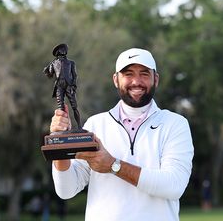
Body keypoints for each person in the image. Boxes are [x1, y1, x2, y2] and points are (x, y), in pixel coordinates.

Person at [50, 48, 194, 221]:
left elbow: (174, 185)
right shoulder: (95, 124)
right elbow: (66, 190)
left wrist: (113, 165)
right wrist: (59, 145)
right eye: (128, 74)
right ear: (116, 80)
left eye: (144, 74)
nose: (136, 81)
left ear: (156, 79)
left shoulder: (174, 124)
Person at [43, 43, 82, 129]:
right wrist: (47, 71)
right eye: (63, 49)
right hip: (59, 85)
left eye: (65, 49)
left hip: (69, 85)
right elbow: (50, 75)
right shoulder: (53, 63)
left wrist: (74, 86)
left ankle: (80, 127)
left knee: (74, 106)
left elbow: (75, 76)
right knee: (61, 107)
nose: (65, 51)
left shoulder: (71, 63)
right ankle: (63, 128)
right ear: (58, 52)